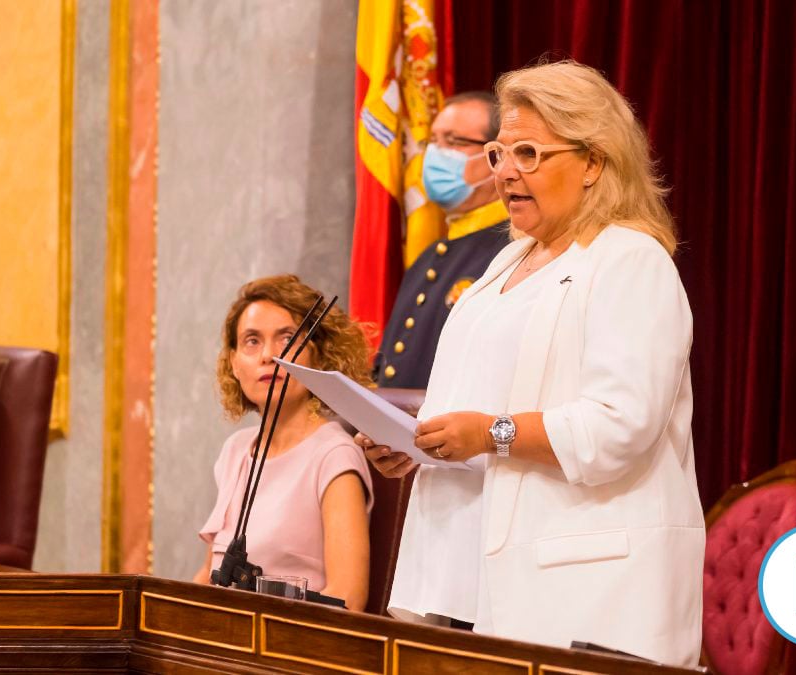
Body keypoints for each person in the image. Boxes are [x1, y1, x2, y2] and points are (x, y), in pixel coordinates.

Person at [360, 60, 704, 666]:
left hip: (580, 591)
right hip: (459, 580)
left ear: (594, 162)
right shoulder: (505, 262)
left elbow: (619, 425)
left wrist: (487, 434)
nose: (506, 174)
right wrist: (416, 443)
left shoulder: (630, 260)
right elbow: (473, 409)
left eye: (528, 153)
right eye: (498, 153)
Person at [194, 275, 374, 611]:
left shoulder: (334, 455)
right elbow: (209, 575)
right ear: (233, 362)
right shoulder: (235, 451)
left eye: (287, 338)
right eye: (251, 341)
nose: (268, 356)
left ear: (319, 357)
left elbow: (348, 600)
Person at [376, 92, 512, 389]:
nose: (436, 153)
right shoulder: (430, 256)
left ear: (497, 155)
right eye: (432, 142)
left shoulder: (512, 251)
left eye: (453, 141)